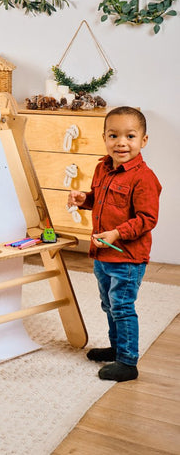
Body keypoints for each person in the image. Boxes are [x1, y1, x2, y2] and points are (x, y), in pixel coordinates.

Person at [67, 106, 161, 382]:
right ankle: (117, 348)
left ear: (143, 141)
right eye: (113, 135)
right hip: (102, 255)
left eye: (130, 136)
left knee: (121, 306)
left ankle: (127, 362)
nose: (121, 142)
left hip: (127, 258)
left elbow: (147, 219)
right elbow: (99, 200)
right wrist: (84, 199)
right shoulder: (102, 168)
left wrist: (117, 234)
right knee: (108, 304)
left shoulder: (144, 178)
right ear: (105, 138)